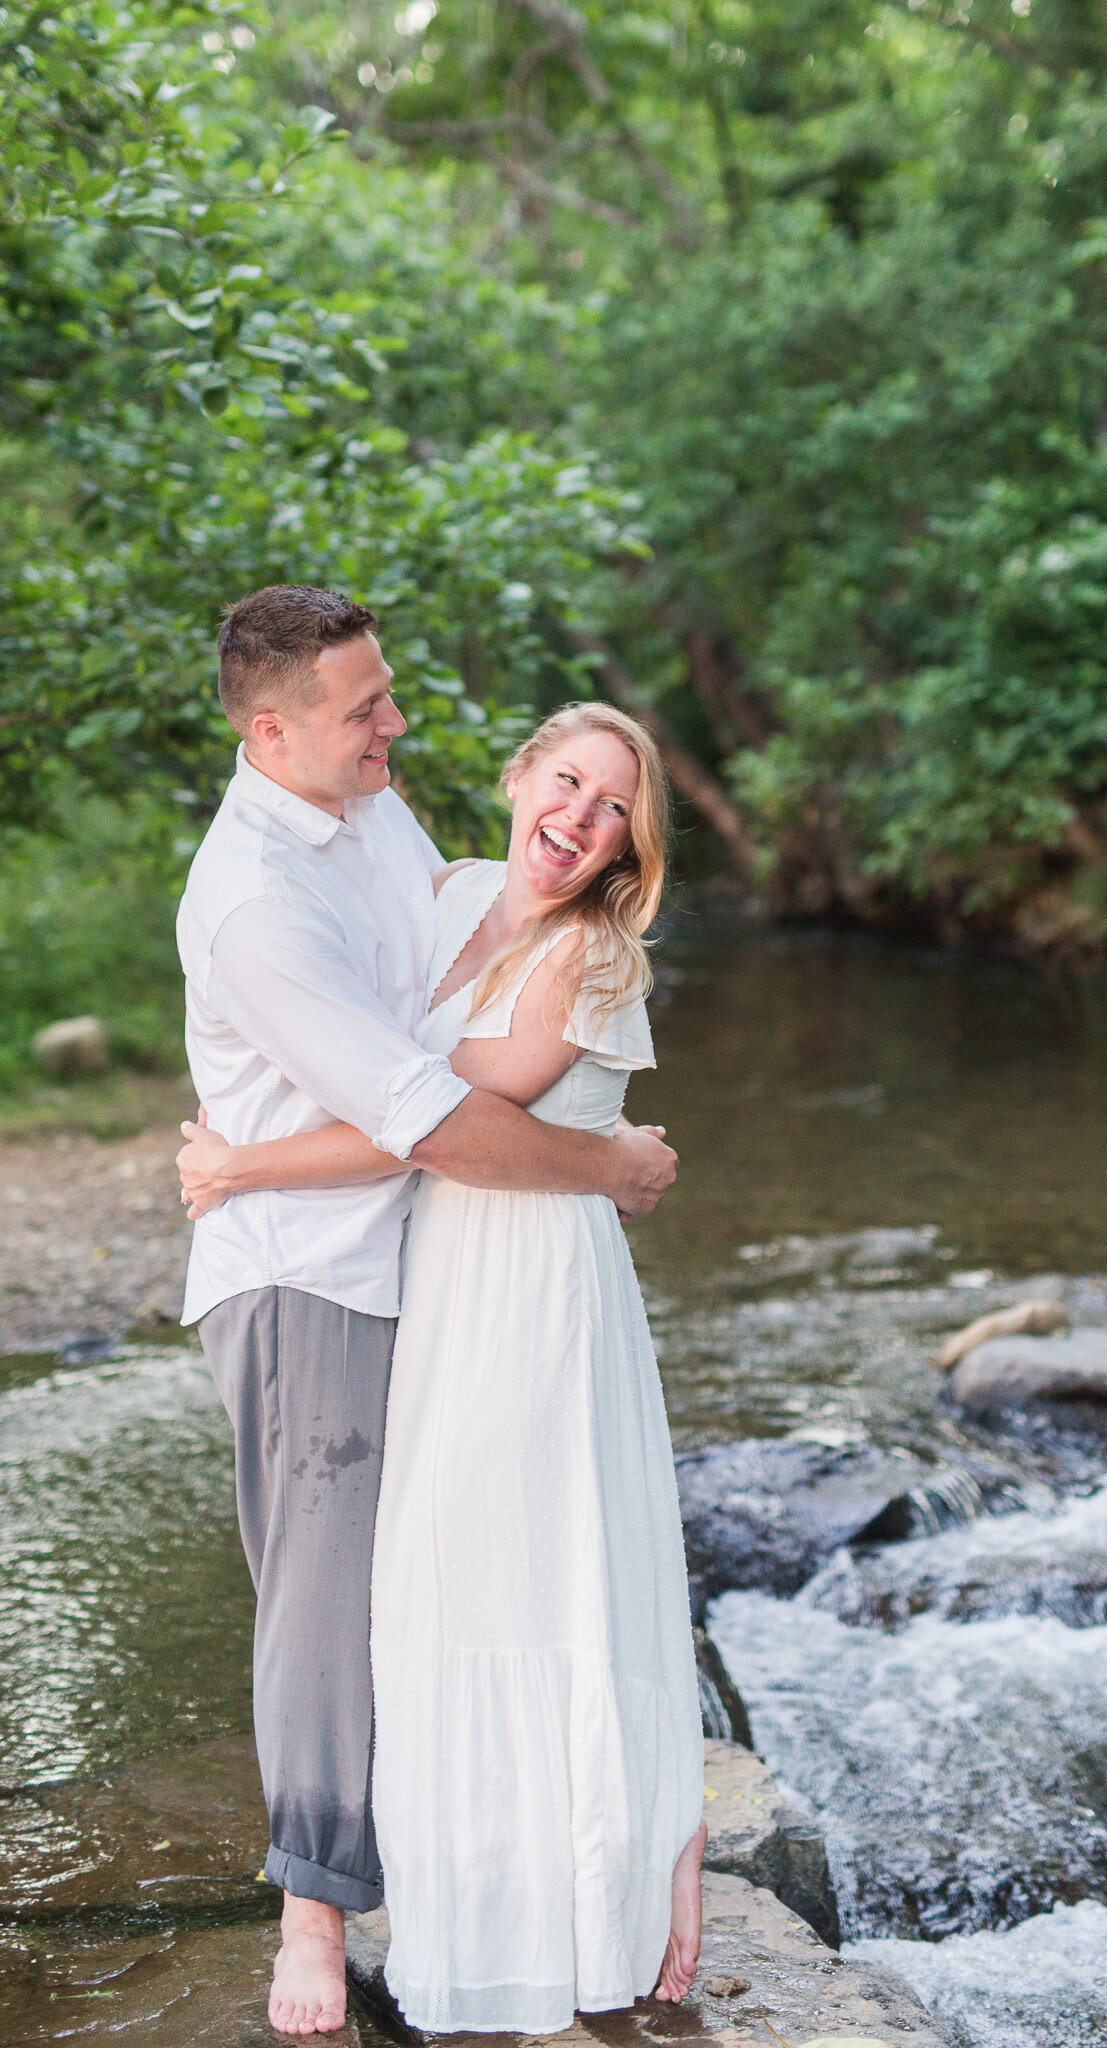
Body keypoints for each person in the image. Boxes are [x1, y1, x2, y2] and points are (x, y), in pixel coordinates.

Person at [175, 587, 679, 2037]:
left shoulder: (373, 811)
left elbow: (471, 951)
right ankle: (312, 1919)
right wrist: (610, 1166)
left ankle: (480, 1853)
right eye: (364, 708)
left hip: (428, 1260)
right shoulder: (253, 902)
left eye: (387, 692)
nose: (395, 722)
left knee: (430, 1581)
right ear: (272, 731)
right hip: (308, 1263)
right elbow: (431, 1117)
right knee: (326, 1595)